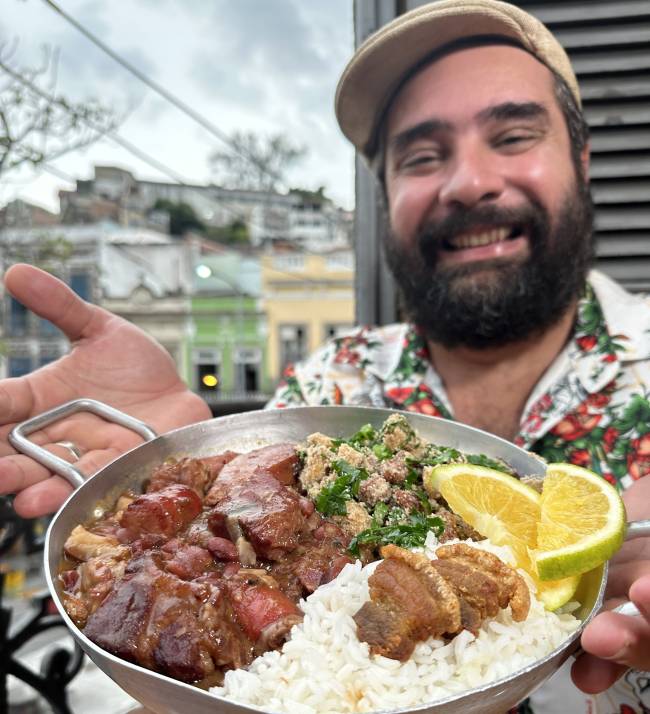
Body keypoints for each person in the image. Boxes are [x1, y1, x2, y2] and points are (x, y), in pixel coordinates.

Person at [0, 0, 648, 710]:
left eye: (514, 135)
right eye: (423, 156)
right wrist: (177, 462)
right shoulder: (330, 380)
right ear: (386, 197)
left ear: (582, 162)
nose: (468, 183)